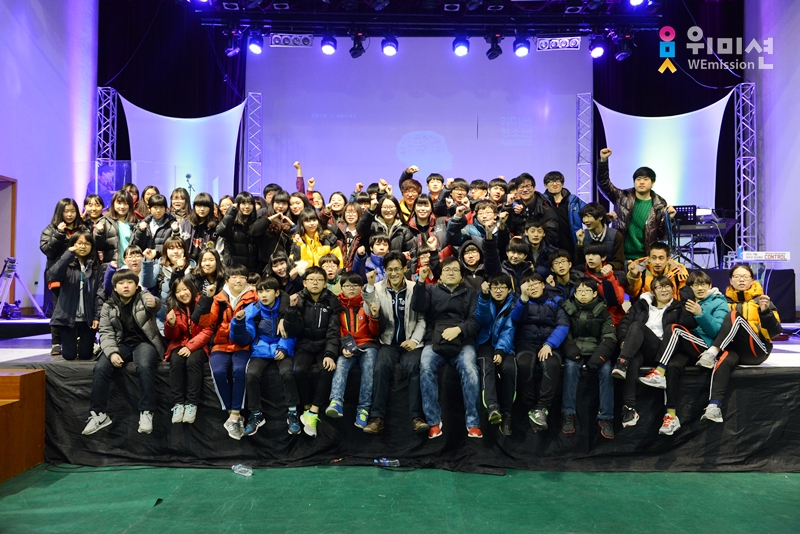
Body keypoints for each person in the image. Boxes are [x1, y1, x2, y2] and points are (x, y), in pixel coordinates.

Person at [637, 270, 729, 435]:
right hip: (687, 347)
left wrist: (700, 313)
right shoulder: (686, 301)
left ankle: (659, 370)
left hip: (706, 347)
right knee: (673, 366)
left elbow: (716, 332)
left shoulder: (719, 302)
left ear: (710, 285)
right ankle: (671, 417)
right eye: (695, 285)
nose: (700, 288)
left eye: (703, 284)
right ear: (690, 288)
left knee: (674, 329)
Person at [81, 269, 164, 436]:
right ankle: (98, 415)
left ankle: (147, 411)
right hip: (121, 344)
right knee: (101, 368)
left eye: (130, 282)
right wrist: (112, 353)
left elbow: (155, 304)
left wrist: (155, 303)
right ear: (115, 287)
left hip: (145, 342)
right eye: (121, 283)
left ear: (136, 285)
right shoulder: (108, 305)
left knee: (144, 366)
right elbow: (105, 332)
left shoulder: (143, 297)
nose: (126, 286)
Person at [696, 264, 781, 425]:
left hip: (757, 349)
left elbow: (775, 332)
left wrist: (766, 312)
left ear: (752, 280)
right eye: (737, 276)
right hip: (734, 348)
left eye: (745, 276)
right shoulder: (722, 301)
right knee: (724, 360)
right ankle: (714, 406)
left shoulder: (762, 300)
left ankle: (712, 352)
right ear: (730, 280)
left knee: (735, 316)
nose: (741, 279)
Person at [612, 275, 697, 429]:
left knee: (638, 326)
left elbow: (687, 324)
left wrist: (686, 303)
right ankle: (629, 408)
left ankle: (622, 361)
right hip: (642, 348)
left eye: (667, 286)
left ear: (673, 289)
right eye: (660, 287)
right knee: (633, 358)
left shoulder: (678, 307)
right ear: (653, 291)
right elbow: (624, 323)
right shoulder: (641, 305)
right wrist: (624, 340)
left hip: (665, 349)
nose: (664, 290)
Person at [412, 257, 482, 439]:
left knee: (470, 369)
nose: (451, 273)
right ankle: (434, 422)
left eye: (455, 270)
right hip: (434, 341)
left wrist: (458, 330)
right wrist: (421, 281)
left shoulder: (471, 293)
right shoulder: (430, 290)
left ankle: (473, 423)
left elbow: (476, 320)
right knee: (426, 367)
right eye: (447, 270)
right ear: (440, 275)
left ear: (461, 276)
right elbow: (417, 306)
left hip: (463, 341)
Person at [362, 252, 427, 434]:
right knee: (380, 367)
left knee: (415, 367)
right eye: (389, 270)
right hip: (388, 342)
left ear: (405, 269)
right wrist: (369, 286)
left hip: (411, 342)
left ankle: (417, 417)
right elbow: (368, 310)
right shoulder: (377, 288)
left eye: (397, 269)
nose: (393, 273)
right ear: (385, 270)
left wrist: (414, 340)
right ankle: (376, 418)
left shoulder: (415, 288)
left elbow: (422, 319)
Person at [194, 263, 257, 440]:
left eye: (242, 277)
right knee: (219, 372)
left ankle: (235, 414)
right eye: (234, 277)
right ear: (227, 280)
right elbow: (204, 321)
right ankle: (232, 414)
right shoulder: (218, 298)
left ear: (247, 280)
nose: (238, 280)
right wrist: (207, 298)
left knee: (240, 370)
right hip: (220, 346)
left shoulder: (254, 298)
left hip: (243, 346)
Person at [230, 276, 300, 436]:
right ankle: (256, 414)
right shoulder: (252, 310)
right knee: (251, 374)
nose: (263, 295)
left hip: (282, 348)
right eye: (260, 291)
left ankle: (293, 412)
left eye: (267, 291)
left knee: (288, 373)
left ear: (276, 293)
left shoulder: (286, 308)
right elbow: (244, 338)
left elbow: (292, 332)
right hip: (260, 350)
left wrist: (283, 348)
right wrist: (238, 323)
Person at [282, 266, 342, 437]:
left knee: (327, 369)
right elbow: (293, 330)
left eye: (319, 280)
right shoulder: (297, 299)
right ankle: (307, 407)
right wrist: (292, 310)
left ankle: (314, 411)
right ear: (304, 283)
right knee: (298, 370)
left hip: (324, 345)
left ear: (325, 283)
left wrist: (330, 354)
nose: (315, 283)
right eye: (311, 280)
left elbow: (333, 332)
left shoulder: (332, 301)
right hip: (304, 344)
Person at [559, 277, 617, 439]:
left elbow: (609, 338)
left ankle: (606, 418)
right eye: (579, 291)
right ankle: (568, 414)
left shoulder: (603, 313)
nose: (583, 294)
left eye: (587, 291)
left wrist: (598, 358)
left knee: (607, 371)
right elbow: (565, 335)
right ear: (575, 294)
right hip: (574, 351)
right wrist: (572, 352)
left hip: (597, 351)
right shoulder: (567, 310)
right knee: (570, 368)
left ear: (594, 293)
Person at [596, 148, 677, 261]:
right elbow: (603, 183)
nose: (642, 182)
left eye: (646, 179)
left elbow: (662, 235)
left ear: (652, 183)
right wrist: (603, 161)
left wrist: (670, 219)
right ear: (634, 182)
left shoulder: (659, 205)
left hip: (645, 258)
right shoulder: (621, 197)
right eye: (638, 179)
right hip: (620, 256)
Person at [512, 273, 569, 433]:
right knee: (523, 364)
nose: (532, 287)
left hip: (549, 343)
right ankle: (531, 407)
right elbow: (516, 319)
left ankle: (542, 408)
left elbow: (563, 325)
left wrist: (549, 344)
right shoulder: (520, 301)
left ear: (543, 285)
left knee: (552, 365)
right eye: (528, 285)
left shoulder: (555, 301)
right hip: (526, 343)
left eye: (536, 283)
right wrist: (523, 299)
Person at [325, 272, 380, 430]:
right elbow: (336, 331)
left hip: (368, 345)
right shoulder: (336, 306)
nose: (351, 289)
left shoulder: (367, 303)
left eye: (355, 285)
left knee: (369, 368)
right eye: (347, 285)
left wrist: (375, 317)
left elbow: (375, 332)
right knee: (341, 365)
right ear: (341, 288)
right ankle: (336, 402)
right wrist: (342, 348)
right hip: (347, 346)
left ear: (361, 287)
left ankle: (363, 409)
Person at [47, 229, 104, 361]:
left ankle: (88, 344)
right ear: (73, 244)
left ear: (92, 247)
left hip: (87, 318)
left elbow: (100, 294)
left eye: (87, 243)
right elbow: (53, 274)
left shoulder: (97, 268)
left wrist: (97, 316)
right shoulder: (67, 264)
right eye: (79, 243)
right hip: (68, 317)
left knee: (85, 355)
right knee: (69, 355)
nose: (83, 246)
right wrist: (68, 254)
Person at [163, 277, 212, 425]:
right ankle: (178, 403)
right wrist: (171, 324)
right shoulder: (174, 307)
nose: (182, 294)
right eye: (178, 291)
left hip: (199, 344)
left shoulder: (203, 304)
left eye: (185, 289)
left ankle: (191, 403)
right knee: (176, 360)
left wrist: (190, 346)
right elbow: (172, 336)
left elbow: (208, 330)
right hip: (179, 343)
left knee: (193, 361)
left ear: (192, 289)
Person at [40, 198, 85, 355]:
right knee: (58, 309)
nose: (69, 214)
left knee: (79, 306)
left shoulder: (82, 228)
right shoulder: (50, 229)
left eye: (72, 211)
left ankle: (77, 340)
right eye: (66, 211)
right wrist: (59, 234)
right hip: (57, 274)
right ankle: (56, 343)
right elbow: (48, 251)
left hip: (78, 274)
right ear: (59, 212)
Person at [475, 274, 517, 435]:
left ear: (509, 290)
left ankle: (507, 415)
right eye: (495, 287)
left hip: (505, 346)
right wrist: (485, 297)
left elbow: (509, 330)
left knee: (510, 369)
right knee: (487, 366)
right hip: (484, 342)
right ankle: (492, 408)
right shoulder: (483, 298)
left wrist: (500, 350)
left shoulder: (513, 304)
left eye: (502, 287)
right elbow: (481, 318)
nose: (498, 291)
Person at [507, 173, 559, 246]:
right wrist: (508, 207)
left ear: (534, 188)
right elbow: (507, 228)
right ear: (517, 190)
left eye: (528, 186)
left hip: (540, 250)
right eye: (521, 187)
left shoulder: (545, 208)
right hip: (518, 249)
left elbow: (551, 233)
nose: (525, 190)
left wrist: (525, 240)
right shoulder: (514, 208)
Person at [542, 171, 585, 258]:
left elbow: (590, 212)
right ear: (545, 185)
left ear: (563, 184)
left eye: (558, 181)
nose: (555, 184)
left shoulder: (574, 201)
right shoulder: (542, 201)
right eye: (550, 181)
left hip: (572, 244)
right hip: (549, 246)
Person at [581, 242, 626, 326]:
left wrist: (609, 277)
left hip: (614, 318)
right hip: (590, 319)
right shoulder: (581, 274)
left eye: (594, 254)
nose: (590, 258)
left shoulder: (615, 274)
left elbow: (619, 300)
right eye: (587, 254)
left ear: (603, 257)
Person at [216, 192, 261, 273]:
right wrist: (231, 211)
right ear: (237, 204)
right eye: (243, 203)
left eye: (250, 203)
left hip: (253, 270)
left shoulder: (256, 222)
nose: (247, 206)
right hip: (234, 269)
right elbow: (221, 231)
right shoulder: (232, 222)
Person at [574, 203, 625, 272]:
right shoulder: (583, 235)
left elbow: (619, 262)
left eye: (589, 216)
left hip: (610, 273)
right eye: (584, 217)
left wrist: (610, 266)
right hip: (588, 275)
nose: (585, 220)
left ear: (600, 217)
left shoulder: (616, 235)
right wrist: (580, 243)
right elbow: (579, 263)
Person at [99, 190, 140, 269]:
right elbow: (99, 246)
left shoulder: (135, 222)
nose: (122, 206)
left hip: (132, 266)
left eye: (125, 203)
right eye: (119, 203)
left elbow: (140, 245)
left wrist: (142, 231)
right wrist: (99, 233)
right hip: (112, 266)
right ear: (113, 204)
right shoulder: (105, 221)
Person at [178, 192, 218, 264]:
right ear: (194, 207)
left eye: (205, 206)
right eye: (198, 206)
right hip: (187, 263)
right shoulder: (185, 224)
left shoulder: (216, 226)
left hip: (207, 264)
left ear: (211, 208)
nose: (202, 209)